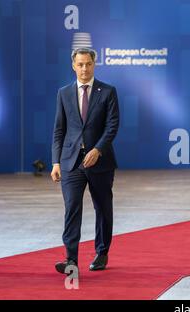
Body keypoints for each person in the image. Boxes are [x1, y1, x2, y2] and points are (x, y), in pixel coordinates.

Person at [51, 47, 119, 274]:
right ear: (73, 65)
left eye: (88, 64)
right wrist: (55, 162)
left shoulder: (108, 92)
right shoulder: (63, 93)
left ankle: (101, 253)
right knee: (72, 207)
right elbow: (59, 130)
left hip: (100, 162)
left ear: (94, 64)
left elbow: (112, 126)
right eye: (80, 64)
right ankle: (71, 260)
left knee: (102, 207)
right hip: (71, 162)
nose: (84, 68)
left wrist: (98, 149)